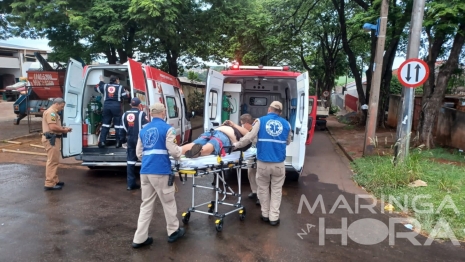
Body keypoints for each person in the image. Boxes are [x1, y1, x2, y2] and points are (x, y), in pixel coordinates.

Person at [132, 102, 185, 248]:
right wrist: (180, 155)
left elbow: (138, 154)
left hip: (145, 171)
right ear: (163, 113)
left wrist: (149, 159)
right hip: (161, 171)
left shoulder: (143, 130)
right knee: (168, 202)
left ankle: (139, 238)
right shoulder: (168, 129)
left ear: (150, 114)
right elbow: (174, 151)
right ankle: (173, 231)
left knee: (146, 204)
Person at [233, 101, 292, 226]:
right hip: (278, 164)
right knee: (276, 190)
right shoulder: (286, 124)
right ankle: (274, 217)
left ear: (269, 109)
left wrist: (236, 145)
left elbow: (249, 137)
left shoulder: (260, 121)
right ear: (280, 112)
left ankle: (265, 214)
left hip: (263, 163)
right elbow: (288, 141)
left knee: (263, 188)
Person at [224, 114, 260, 206]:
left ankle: (260, 197)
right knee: (251, 171)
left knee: (259, 176)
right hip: (253, 153)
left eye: (242, 124)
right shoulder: (251, 127)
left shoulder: (256, 126)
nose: (242, 126)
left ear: (247, 123)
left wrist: (236, 145)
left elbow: (248, 136)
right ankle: (255, 191)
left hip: (260, 153)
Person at [41, 98, 73, 191]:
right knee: (52, 161)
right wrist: (64, 130)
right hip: (52, 139)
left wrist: (62, 128)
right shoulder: (51, 113)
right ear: (56, 104)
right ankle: (49, 184)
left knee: (54, 160)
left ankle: (54, 180)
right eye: (62, 106)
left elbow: (54, 126)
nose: (62, 108)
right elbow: (52, 127)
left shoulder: (53, 112)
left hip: (53, 138)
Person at [121, 97, 149, 191]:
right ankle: (146, 184)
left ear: (130, 105)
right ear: (139, 105)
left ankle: (130, 184)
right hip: (140, 140)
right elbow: (146, 128)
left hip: (130, 139)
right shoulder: (142, 114)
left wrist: (123, 141)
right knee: (144, 160)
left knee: (130, 162)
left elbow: (122, 129)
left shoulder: (124, 114)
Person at [181, 121, 251, 158]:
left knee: (212, 144)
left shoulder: (246, 138)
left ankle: (198, 152)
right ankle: (179, 150)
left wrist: (234, 125)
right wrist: (224, 125)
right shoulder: (235, 128)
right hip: (212, 132)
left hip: (225, 137)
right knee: (196, 143)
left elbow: (248, 133)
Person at [95, 75, 128, 148]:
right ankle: (118, 143)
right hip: (116, 106)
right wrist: (127, 92)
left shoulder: (105, 86)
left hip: (107, 106)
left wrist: (101, 81)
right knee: (117, 125)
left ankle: (102, 142)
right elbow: (125, 97)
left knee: (105, 125)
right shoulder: (120, 87)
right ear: (116, 80)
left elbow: (96, 89)